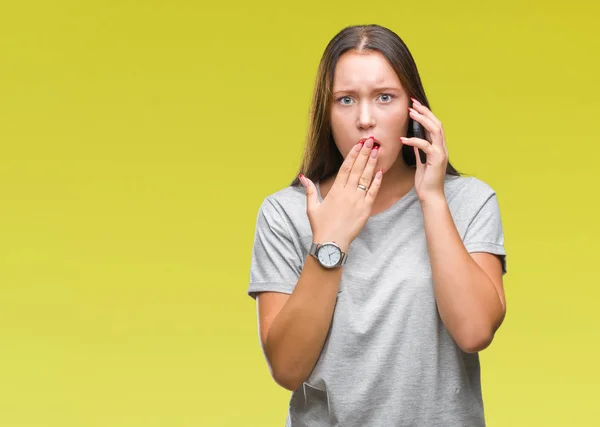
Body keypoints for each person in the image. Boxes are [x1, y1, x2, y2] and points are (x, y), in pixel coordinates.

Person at [247, 24, 507, 427]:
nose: (365, 119)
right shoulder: (285, 213)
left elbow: (475, 331)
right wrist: (330, 241)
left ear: (412, 108)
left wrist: (432, 199)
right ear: (326, 112)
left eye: (385, 97)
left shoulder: (468, 200)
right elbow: (286, 368)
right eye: (346, 100)